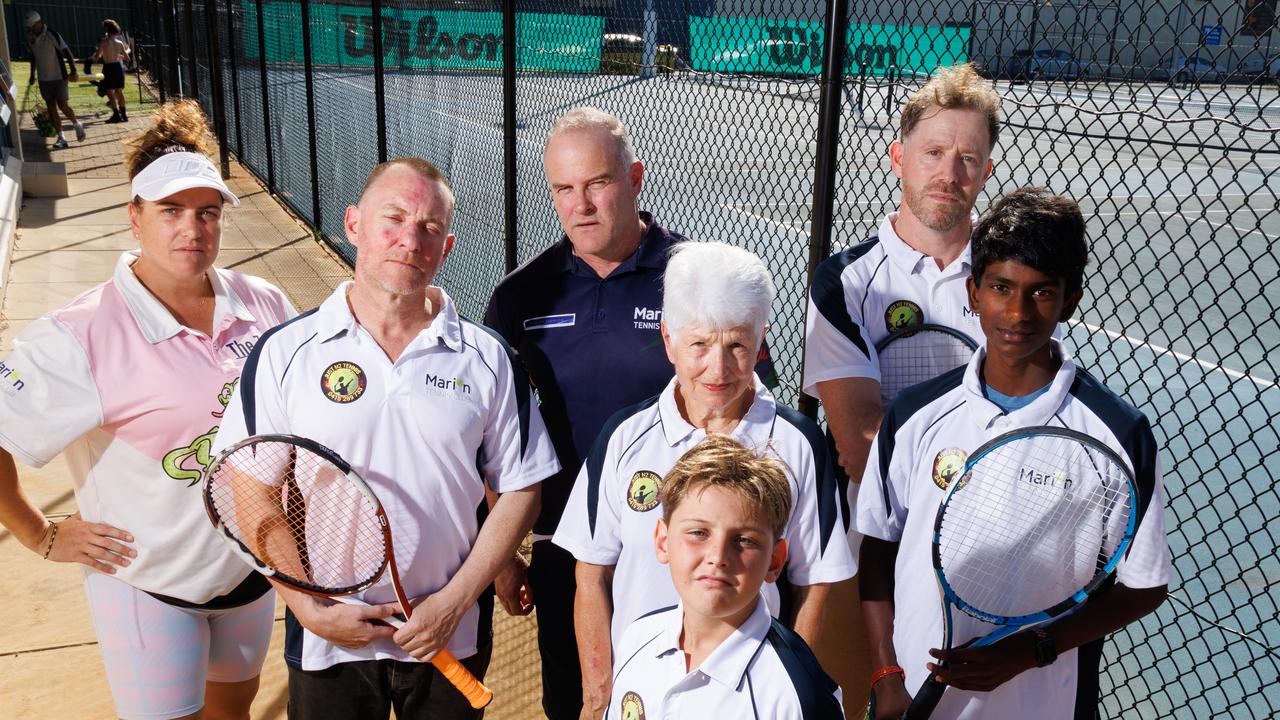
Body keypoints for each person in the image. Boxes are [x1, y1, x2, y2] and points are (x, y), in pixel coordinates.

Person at [211, 157, 560, 719]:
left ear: (446, 248)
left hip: (450, 633)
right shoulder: (284, 353)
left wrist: (454, 601)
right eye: (393, 218)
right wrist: (305, 605)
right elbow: (248, 488)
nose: (409, 239)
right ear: (353, 225)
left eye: (429, 227)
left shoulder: (488, 358)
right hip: (328, 639)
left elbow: (520, 490)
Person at [0, 100, 296, 720]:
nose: (192, 229)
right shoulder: (78, 334)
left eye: (207, 213)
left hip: (249, 575)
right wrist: (39, 533)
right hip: (147, 585)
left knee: (232, 714)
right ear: (134, 217)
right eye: (170, 211)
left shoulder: (265, 304)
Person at [483, 106, 776, 720]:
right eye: (563, 189)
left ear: (635, 178)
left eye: (598, 183)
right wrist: (504, 552)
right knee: (578, 702)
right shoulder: (520, 295)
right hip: (570, 545)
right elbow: (495, 434)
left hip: (690, 544)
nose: (580, 204)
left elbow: (754, 407)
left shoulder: (699, 278)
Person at [856, 187, 1171, 719]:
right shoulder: (915, 414)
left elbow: (1143, 586)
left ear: (1070, 299)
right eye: (1001, 288)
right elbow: (879, 550)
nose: (1018, 312)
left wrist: (1031, 650)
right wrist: (887, 675)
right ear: (974, 292)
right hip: (912, 698)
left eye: (1042, 293)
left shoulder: (1118, 433)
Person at [554, 241, 855, 719]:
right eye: (699, 344)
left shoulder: (797, 444)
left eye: (737, 344)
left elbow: (815, 582)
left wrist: (790, 683)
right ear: (668, 338)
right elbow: (591, 573)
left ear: (761, 342)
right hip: (641, 690)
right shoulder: (623, 437)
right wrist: (598, 692)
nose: (718, 369)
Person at [801, 64, 1002, 708]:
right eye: (934, 154)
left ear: (988, 171)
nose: (950, 174)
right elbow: (861, 445)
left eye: (968, 158)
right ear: (899, 158)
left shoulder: (1012, 283)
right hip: (864, 546)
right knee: (837, 701)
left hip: (976, 549)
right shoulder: (847, 282)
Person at [606, 435, 845, 719]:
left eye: (743, 540)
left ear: (775, 560)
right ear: (662, 541)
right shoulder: (637, 638)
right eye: (698, 533)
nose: (718, 557)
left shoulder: (796, 694)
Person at [24, 10, 84, 149]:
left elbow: (66, 51)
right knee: (51, 108)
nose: (31, 28)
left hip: (59, 76)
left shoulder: (52, 34)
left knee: (62, 105)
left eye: (32, 25)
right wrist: (32, 74)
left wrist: (73, 70)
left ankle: (76, 124)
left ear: (39, 23)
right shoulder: (29, 37)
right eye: (29, 26)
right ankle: (61, 137)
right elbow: (32, 56)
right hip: (43, 78)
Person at [93, 18, 131, 124]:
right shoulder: (119, 43)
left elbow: (97, 56)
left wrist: (97, 55)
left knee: (109, 91)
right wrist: (116, 55)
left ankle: (116, 115)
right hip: (118, 68)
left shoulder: (103, 42)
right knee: (119, 91)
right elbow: (127, 58)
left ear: (107, 30)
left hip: (108, 68)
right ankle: (124, 115)